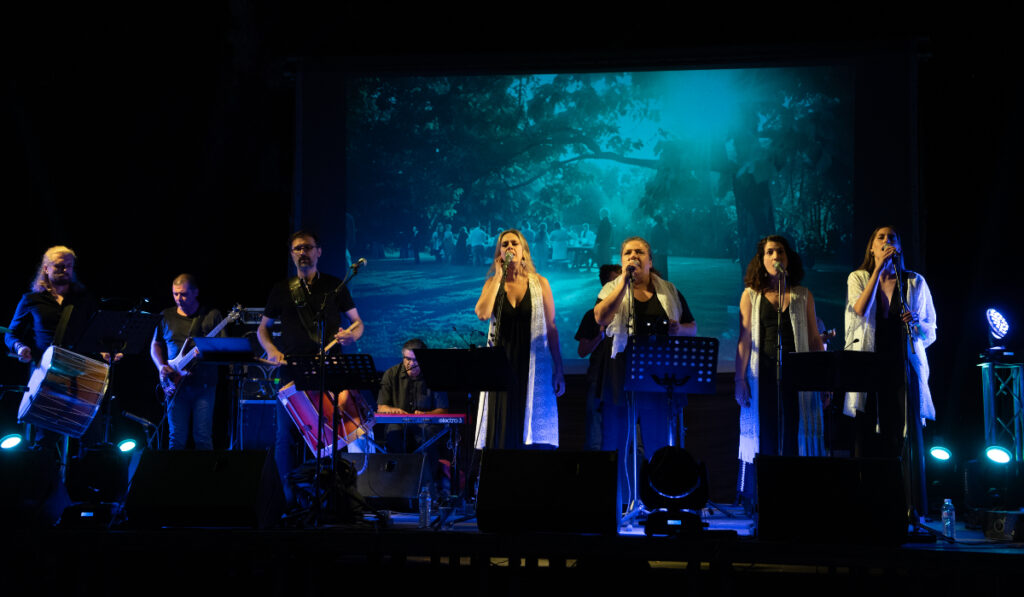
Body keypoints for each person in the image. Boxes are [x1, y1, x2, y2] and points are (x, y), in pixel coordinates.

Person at [257, 231, 365, 503]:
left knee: (335, 433)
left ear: (319, 251)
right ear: (291, 254)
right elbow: (262, 329)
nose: (302, 253)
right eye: (297, 249)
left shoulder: (334, 286)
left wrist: (351, 335)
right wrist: (272, 350)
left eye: (307, 247)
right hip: (292, 370)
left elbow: (358, 323)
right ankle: (288, 499)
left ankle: (335, 496)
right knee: (286, 435)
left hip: (330, 368)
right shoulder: (281, 289)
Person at [593, 237, 697, 501]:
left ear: (650, 260)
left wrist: (678, 329)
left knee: (657, 445)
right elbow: (601, 318)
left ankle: (657, 502)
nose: (633, 256)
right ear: (622, 260)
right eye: (627, 252)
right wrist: (622, 285)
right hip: (619, 374)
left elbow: (692, 327)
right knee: (614, 443)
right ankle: (616, 505)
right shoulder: (611, 289)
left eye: (639, 252)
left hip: (657, 377)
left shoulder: (669, 290)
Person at [845, 225, 936, 518]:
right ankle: (867, 506)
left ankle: (907, 505)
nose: (887, 241)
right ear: (872, 248)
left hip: (902, 366)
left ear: (900, 246)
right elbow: (859, 310)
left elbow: (930, 330)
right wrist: (878, 270)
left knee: (902, 434)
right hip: (869, 366)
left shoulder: (914, 281)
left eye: (892, 238)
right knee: (867, 433)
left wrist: (916, 323)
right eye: (880, 238)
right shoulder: (858, 277)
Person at [734, 236, 825, 466]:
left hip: (797, 374)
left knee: (794, 429)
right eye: (770, 252)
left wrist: (823, 381)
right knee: (766, 431)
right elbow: (744, 340)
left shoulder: (803, 295)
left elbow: (815, 339)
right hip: (763, 374)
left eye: (781, 252)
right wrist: (739, 379)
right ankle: (766, 482)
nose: (776, 256)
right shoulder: (750, 295)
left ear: (788, 258)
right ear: (761, 259)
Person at [473, 229, 565, 449]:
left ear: (524, 251)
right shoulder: (492, 283)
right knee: (501, 430)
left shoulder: (540, 283)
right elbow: (482, 314)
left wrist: (559, 369)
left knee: (529, 430)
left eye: (514, 243)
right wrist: (498, 277)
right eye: (504, 245)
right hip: (500, 366)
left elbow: (551, 328)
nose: (510, 248)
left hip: (531, 363)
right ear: (499, 252)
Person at [149, 274, 224, 450]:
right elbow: (155, 345)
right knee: (176, 439)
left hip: (204, 385)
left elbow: (223, 348)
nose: (178, 299)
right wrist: (161, 367)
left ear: (195, 292)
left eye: (183, 294)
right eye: (175, 294)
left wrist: (206, 353)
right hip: (174, 385)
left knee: (203, 438)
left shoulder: (211, 315)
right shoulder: (166, 315)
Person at [376, 338, 449, 492]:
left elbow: (443, 410)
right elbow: (381, 408)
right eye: (407, 359)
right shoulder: (391, 374)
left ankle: (426, 489)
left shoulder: (434, 375)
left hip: (426, 425)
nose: (410, 364)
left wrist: (426, 414)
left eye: (415, 360)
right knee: (394, 433)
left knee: (427, 435)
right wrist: (392, 410)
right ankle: (396, 487)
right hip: (399, 424)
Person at [575, 264, 621, 451]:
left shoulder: (629, 314)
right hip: (597, 377)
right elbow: (582, 351)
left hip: (623, 378)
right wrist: (599, 336)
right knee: (595, 430)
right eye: (614, 282)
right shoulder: (592, 315)